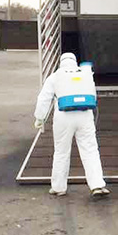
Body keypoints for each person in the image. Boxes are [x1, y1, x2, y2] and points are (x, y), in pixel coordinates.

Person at [34, 52, 110, 199]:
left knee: (61, 152)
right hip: (84, 115)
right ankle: (97, 185)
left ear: (61, 63)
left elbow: (44, 98)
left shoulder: (55, 77)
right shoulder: (85, 74)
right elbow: (93, 96)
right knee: (90, 150)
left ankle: (58, 187)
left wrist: (39, 118)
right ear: (75, 62)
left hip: (63, 117)